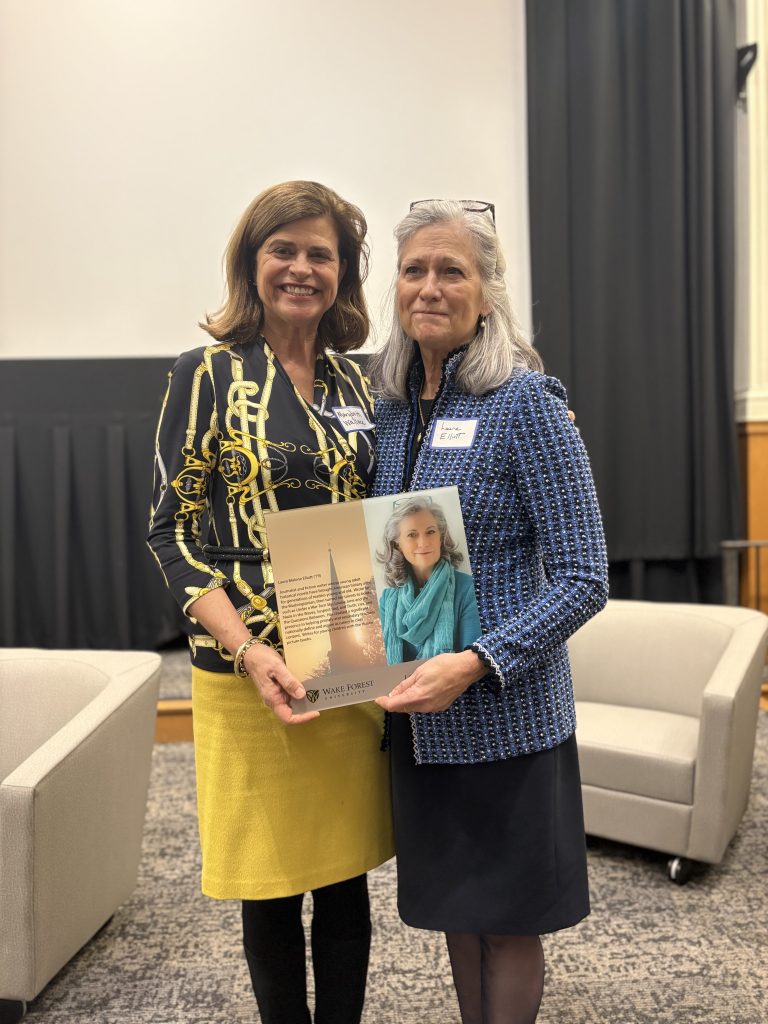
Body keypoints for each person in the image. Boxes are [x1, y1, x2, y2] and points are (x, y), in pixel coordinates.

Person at [147, 181, 393, 1024]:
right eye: (282, 249)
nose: (301, 268)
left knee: (346, 879)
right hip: (246, 667)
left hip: (343, 647)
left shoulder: (360, 382)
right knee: (272, 884)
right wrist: (250, 650)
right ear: (251, 263)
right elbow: (170, 532)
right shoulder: (206, 374)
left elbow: (391, 506)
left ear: (343, 273)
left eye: (321, 254)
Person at [369, 199, 609, 1024]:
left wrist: (477, 662)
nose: (429, 287)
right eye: (414, 269)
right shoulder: (392, 408)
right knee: (457, 910)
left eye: (452, 270)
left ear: (487, 290)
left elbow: (584, 576)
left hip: (506, 717)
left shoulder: (526, 402)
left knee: (507, 920)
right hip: (420, 719)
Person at [376, 495, 481, 663]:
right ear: (398, 545)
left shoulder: (467, 588)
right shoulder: (387, 601)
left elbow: (470, 662)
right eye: (412, 535)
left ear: (441, 538)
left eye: (430, 532)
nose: (423, 543)